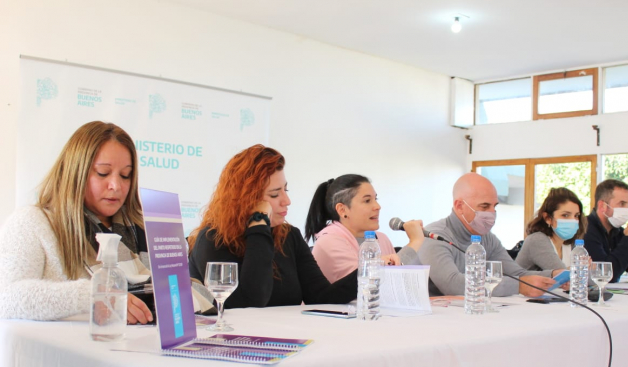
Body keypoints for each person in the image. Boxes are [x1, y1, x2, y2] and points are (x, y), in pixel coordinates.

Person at [0, 121, 153, 324]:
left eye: (126, 175)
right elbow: (7, 298)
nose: (116, 185)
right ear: (75, 172)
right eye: (103, 173)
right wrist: (94, 294)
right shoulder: (32, 223)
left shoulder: (144, 230)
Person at [188, 145, 357, 308]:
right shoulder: (213, 238)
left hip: (285, 335)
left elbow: (320, 296)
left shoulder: (289, 236)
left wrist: (371, 271)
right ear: (247, 199)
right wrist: (258, 223)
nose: (286, 201)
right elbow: (250, 301)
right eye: (275, 194)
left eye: (286, 190)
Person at [418, 173, 561, 297]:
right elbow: (452, 284)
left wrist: (554, 276)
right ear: (460, 206)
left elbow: (516, 274)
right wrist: (518, 286)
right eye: (485, 206)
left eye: (495, 206)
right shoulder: (434, 236)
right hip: (431, 321)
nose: (492, 213)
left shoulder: (487, 238)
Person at [304, 174, 424, 283]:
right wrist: (415, 242)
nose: (377, 206)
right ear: (342, 210)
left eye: (375, 199)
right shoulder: (329, 241)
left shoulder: (382, 239)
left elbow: (397, 286)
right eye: (367, 201)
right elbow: (366, 283)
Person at [583, 179, 628, 282]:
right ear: (603, 206)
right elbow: (605, 276)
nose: (627, 209)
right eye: (622, 204)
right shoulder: (585, 229)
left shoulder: (619, 232)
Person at [516, 187, 587, 271]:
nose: (573, 220)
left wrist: (583, 269)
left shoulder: (569, 244)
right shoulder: (537, 240)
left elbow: (591, 277)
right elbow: (561, 275)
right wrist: (581, 269)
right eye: (565, 215)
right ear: (548, 218)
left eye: (576, 216)